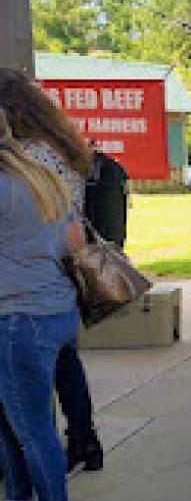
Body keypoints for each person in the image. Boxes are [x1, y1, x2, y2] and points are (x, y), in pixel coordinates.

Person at [0, 68, 102, 472]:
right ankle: (84, 439)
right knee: (64, 359)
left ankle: (36, 463)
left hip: (31, 268)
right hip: (64, 264)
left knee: (29, 377)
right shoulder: (62, 147)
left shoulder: (25, 158)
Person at [0, 110, 83, 501]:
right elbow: (75, 241)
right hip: (54, 309)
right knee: (11, 416)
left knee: (32, 426)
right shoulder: (41, 176)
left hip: (19, 318)